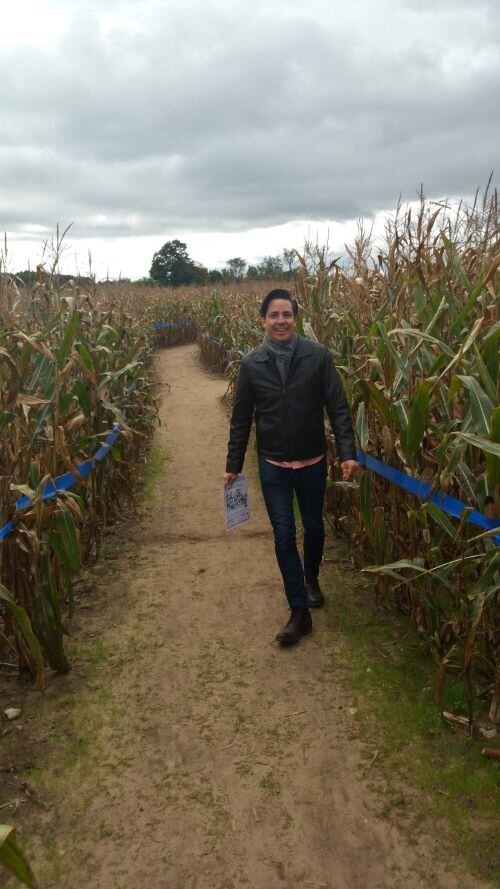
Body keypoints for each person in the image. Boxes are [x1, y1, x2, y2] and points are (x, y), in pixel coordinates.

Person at [224, 288, 358, 646]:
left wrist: (348, 453)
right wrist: (232, 465)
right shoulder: (252, 364)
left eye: (286, 314)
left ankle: (311, 578)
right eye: (273, 315)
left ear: (295, 318)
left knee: (313, 528)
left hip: (313, 462)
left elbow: (338, 408)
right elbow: (241, 419)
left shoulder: (317, 357)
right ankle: (299, 612)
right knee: (284, 535)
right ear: (263, 320)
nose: (280, 321)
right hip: (273, 465)